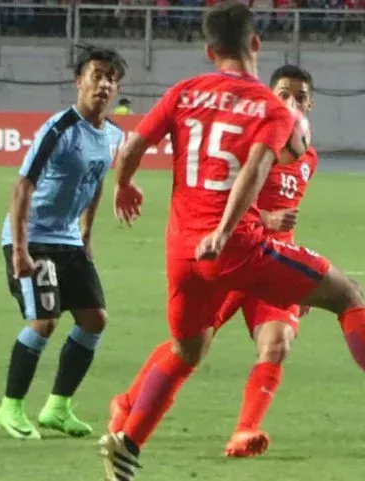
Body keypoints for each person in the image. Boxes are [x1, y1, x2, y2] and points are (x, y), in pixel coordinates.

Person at [100, 2, 365, 478]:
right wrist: (225, 232)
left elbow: (132, 146)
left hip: (181, 253)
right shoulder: (269, 109)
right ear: (256, 44)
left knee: (187, 350)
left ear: (209, 50)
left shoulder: (184, 92)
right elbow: (254, 171)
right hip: (236, 248)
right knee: (348, 294)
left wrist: (124, 185)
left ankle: (128, 443)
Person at [107, 64, 319, 459]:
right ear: (269, 97)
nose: (292, 102)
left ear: (311, 104)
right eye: (284, 94)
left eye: (300, 97)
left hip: (272, 261)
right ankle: (129, 402)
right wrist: (263, 220)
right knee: (189, 345)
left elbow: (285, 213)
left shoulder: (307, 156)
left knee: (278, 343)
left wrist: (297, 276)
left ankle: (245, 431)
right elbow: (225, 198)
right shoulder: (249, 139)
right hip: (232, 254)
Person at [0, 45, 127, 441]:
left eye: (111, 78)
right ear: (79, 81)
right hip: (34, 236)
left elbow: (96, 181)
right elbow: (22, 186)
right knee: (45, 320)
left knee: (94, 319)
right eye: (96, 75)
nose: (103, 84)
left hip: (69, 240)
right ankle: (10, 406)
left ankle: (57, 407)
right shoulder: (59, 129)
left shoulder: (113, 134)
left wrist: (86, 234)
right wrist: (20, 249)